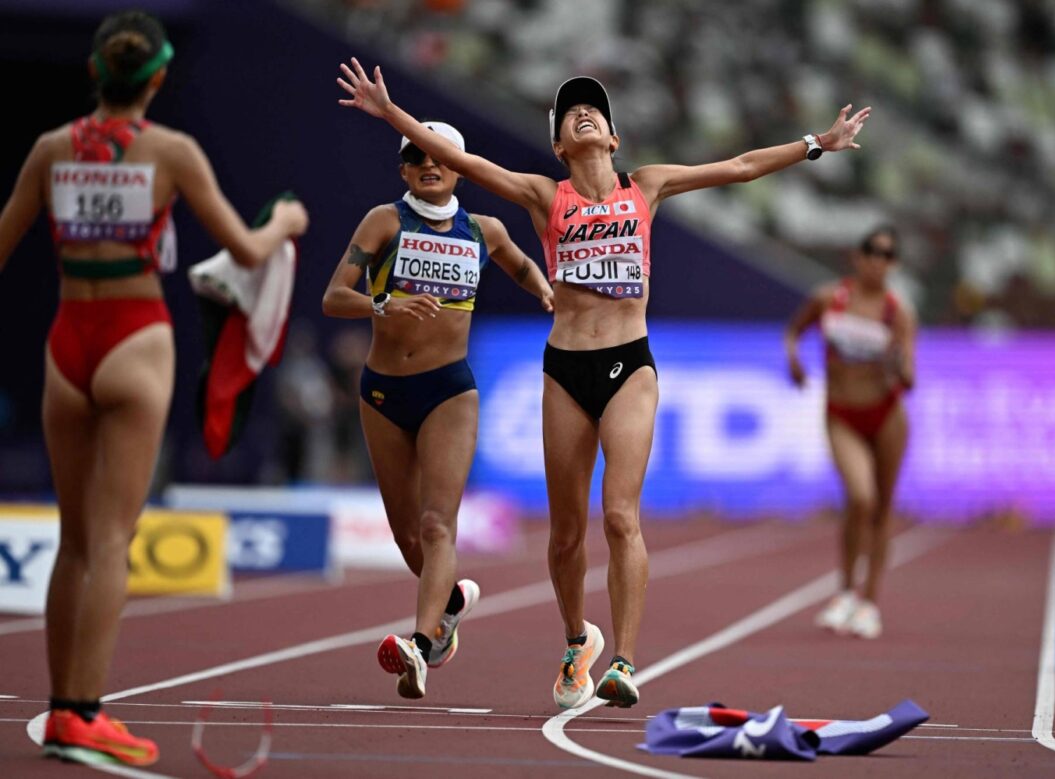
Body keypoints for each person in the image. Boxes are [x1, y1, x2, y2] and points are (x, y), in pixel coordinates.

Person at [336, 57, 869, 708]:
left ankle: (624, 659)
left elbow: (739, 167)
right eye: (570, 113)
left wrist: (817, 143)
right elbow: (463, 163)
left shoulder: (648, 185)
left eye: (594, 109)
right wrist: (390, 112)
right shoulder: (543, 195)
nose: (583, 113)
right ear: (560, 145)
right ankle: (576, 641)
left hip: (630, 364)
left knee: (620, 516)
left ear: (613, 138)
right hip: (565, 369)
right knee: (565, 535)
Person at [0, 11, 308, 766]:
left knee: (75, 539)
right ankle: (85, 712)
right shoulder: (170, 150)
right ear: (158, 78)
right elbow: (246, 248)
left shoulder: (50, 150)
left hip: (68, 343)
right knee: (113, 537)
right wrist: (286, 222)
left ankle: (64, 710)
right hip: (135, 339)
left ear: (96, 72)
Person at [322, 120, 554, 699]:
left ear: (460, 167)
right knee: (408, 539)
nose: (430, 165)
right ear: (404, 169)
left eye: (442, 156)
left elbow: (521, 265)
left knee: (435, 524)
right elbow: (334, 297)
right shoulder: (384, 221)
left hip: (449, 390)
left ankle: (420, 646)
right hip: (383, 392)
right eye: (417, 157)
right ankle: (449, 605)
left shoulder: (484, 229)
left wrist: (547, 292)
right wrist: (384, 304)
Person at [784, 226, 915, 640]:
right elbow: (794, 331)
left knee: (882, 509)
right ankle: (843, 593)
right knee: (860, 498)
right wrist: (794, 359)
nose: (878, 260)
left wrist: (896, 363)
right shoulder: (830, 299)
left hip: (886, 415)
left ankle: (869, 603)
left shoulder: (897, 312)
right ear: (857, 257)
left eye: (887, 254)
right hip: (841, 414)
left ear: (894, 264)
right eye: (871, 251)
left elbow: (910, 378)